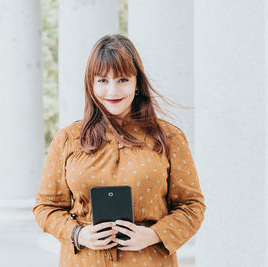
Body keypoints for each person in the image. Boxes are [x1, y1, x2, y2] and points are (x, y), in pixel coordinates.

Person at [33, 33, 206, 267]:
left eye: (122, 80)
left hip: (150, 261)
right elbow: (45, 207)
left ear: (137, 84)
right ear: (91, 85)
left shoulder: (169, 138)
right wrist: (78, 234)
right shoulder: (67, 139)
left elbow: (192, 206)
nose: (112, 92)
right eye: (102, 80)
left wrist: (154, 234)